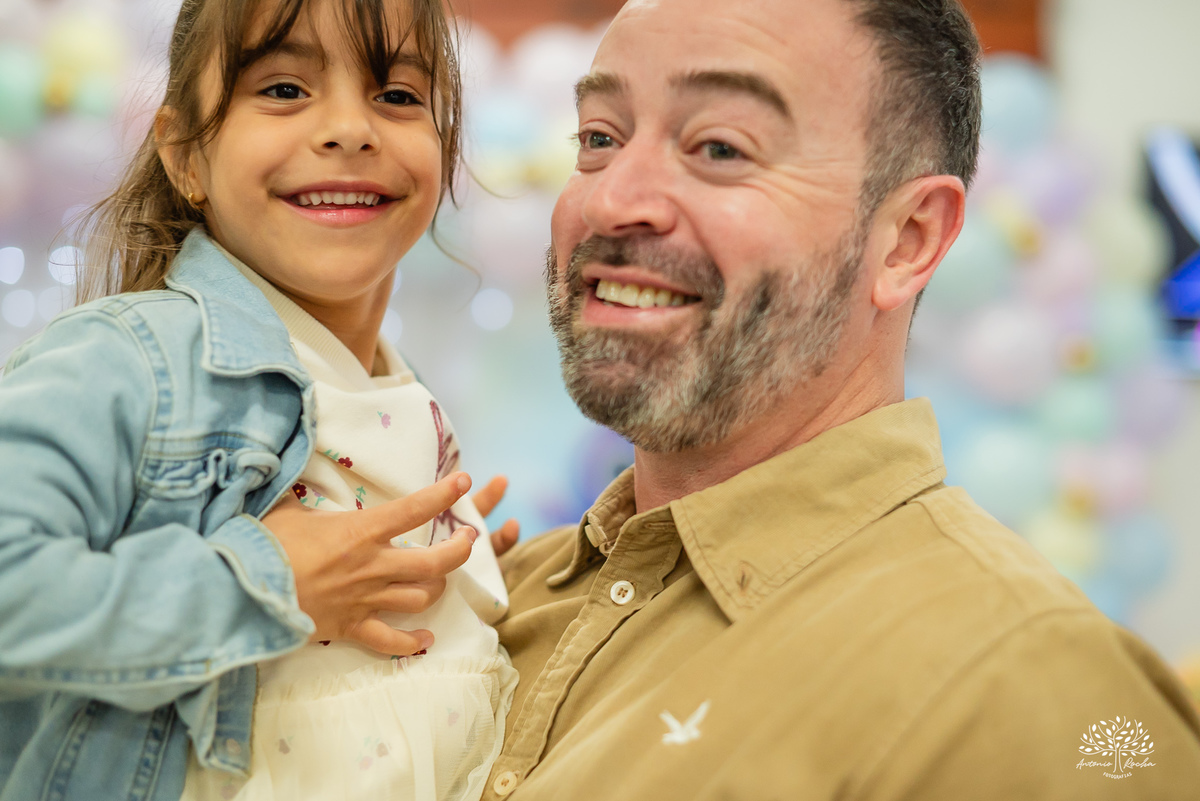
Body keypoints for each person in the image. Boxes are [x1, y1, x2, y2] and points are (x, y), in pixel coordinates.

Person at [484, 0, 1200, 798]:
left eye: (720, 146)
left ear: (909, 239)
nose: (611, 200)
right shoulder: (484, 600)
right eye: (598, 138)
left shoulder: (1026, 682)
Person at [0, 1, 521, 800]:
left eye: (398, 96)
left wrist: (451, 586)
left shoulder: (394, 384)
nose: (351, 128)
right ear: (184, 156)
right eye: (282, 89)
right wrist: (266, 582)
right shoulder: (128, 358)